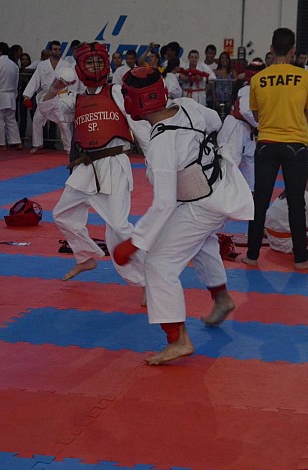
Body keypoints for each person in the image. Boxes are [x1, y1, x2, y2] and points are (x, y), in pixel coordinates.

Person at [114, 67, 254, 365]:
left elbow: (163, 203)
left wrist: (135, 242)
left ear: (135, 101)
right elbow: (215, 121)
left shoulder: (162, 144)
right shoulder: (188, 106)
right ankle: (221, 298)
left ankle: (177, 340)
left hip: (199, 204)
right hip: (218, 190)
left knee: (159, 264)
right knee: (202, 243)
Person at [36, 42, 149, 288]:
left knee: (119, 226)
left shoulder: (116, 92)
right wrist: (54, 87)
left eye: (98, 61)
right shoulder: (75, 99)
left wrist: (153, 160)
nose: (95, 66)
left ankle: (147, 279)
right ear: (79, 67)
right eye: (89, 62)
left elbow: (139, 125)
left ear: (106, 64)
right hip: (86, 166)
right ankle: (85, 256)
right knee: (63, 214)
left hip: (114, 163)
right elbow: (46, 109)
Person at [242, 27, 308, 270]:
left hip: (266, 143)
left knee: (260, 201)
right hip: (295, 144)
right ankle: (301, 258)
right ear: (293, 51)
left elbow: (257, 115)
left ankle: (252, 255)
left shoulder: (258, 79)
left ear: (271, 49)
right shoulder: (305, 77)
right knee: (296, 201)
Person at [217, 60, 264, 190]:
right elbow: (245, 111)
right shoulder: (247, 89)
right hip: (236, 127)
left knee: (249, 160)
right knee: (231, 160)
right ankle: (223, 191)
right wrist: (259, 125)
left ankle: (250, 191)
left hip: (247, 128)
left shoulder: (252, 88)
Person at [24, 40, 71, 153]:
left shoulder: (66, 65)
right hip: (46, 96)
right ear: (50, 51)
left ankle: (68, 147)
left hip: (61, 96)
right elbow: (35, 80)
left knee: (63, 123)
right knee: (37, 119)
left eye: (59, 49)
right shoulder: (42, 65)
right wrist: (27, 95)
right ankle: (37, 144)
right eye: (55, 49)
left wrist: (72, 96)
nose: (57, 51)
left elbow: (72, 81)